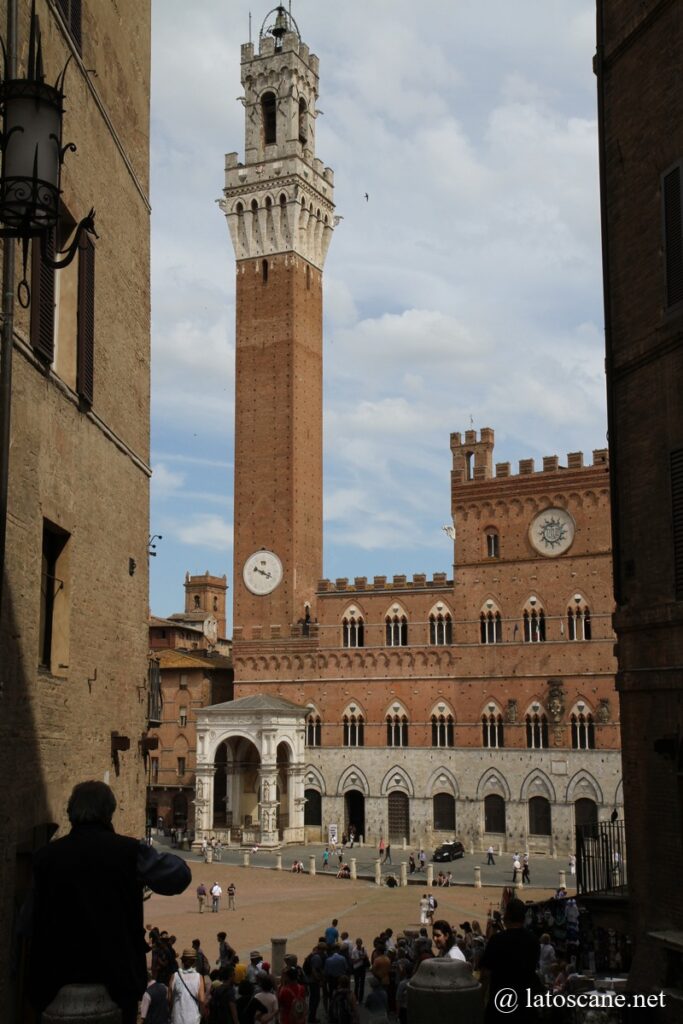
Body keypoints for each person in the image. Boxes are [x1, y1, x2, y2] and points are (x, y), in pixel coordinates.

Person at [28, 780, 191, 1024]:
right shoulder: (128, 852)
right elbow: (180, 876)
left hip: (56, 979)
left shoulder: (45, 858)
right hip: (116, 976)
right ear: (109, 813)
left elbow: (28, 921)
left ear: (71, 813)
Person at [479, 897, 541, 1022]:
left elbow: (485, 973)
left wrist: (480, 1000)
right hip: (525, 1004)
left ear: (506, 916)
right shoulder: (533, 940)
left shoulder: (497, 940)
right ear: (523, 918)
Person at [169, 948, 205, 1024]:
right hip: (193, 1018)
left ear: (182, 960)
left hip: (177, 1018)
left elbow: (169, 999)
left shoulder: (174, 976)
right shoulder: (199, 977)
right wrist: (202, 1014)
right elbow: (202, 999)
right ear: (194, 962)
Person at [350, 937, 368, 1002]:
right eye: (358, 943)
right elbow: (353, 961)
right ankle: (356, 998)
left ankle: (360, 999)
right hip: (357, 968)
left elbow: (366, 958)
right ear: (356, 943)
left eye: (360, 943)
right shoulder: (354, 951)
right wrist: (360, 958)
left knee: (362, 984)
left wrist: (364, 957)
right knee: (357, 984)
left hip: (362, 968)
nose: (359, 944)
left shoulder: (364, 949)